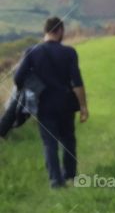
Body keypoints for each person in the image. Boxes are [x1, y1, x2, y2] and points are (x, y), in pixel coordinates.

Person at [13, 17, 88, 188]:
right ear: (60, 31)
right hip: (66, 103)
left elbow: (18, 78)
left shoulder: (32, 52)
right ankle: (70, 175)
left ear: (45, 31)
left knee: (49, 142)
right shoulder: (69, 52)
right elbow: (77, 82)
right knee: (68, 139)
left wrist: (34, 87)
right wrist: (83, 106)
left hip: (44, 104)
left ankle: (56, 180)